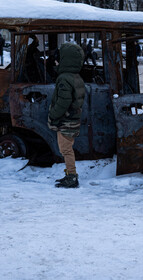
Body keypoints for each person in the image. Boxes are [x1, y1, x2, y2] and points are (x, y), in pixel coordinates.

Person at [48, 42, 86, 189]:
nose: (57, 61)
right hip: (72, 119)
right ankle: (69, 174)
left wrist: (53, 115)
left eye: (60, 58)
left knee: (66, 149)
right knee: (66, 148)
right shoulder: (75, 76)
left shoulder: (64, 78)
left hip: (66, 121)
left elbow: (63, 101)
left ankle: (72, 177)